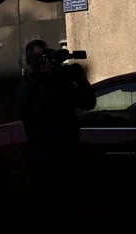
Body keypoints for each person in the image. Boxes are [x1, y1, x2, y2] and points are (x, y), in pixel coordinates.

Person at [17, 39, 95, 222]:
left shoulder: (60, 81)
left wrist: (81, 80)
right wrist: (44, 80)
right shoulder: (29, 87)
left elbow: (88, 103)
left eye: (46, 56)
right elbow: (35, 114)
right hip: (43, 160)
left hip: (68, 155)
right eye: (38, 58)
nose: (44, 62)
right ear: (29, 62)